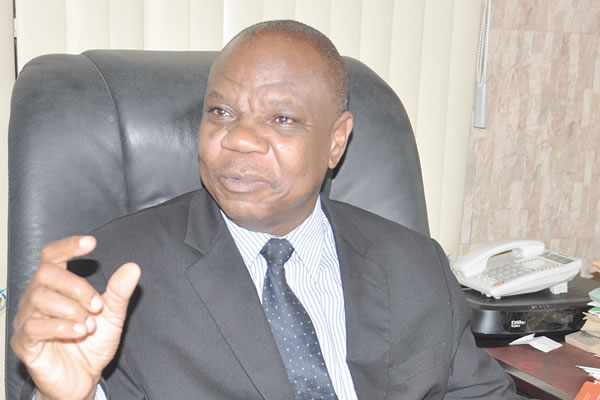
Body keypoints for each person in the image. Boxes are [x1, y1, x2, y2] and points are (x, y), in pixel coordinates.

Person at [10, 20, 524, 400]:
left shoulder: (413, 264)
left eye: (281, 119)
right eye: (221, 112)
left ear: (336, 141)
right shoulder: (115, 278)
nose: (238, 139)